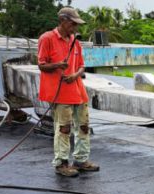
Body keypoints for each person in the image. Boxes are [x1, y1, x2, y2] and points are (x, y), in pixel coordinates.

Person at [38, 7, 98, 177]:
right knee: (64, 128)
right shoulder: (47, 38)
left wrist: (75, 75)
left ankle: (80, 159)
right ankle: (61, 163)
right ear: (63, 21)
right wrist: (57, 65)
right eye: (73, 23)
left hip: (78, 91)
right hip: (60, 93)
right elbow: (41, 65)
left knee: (83, 126)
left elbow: (81, 65)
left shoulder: (75, 41)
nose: (75, 27)